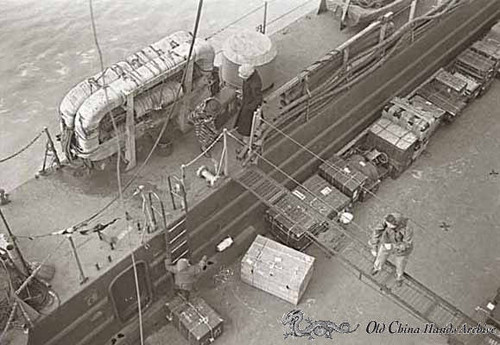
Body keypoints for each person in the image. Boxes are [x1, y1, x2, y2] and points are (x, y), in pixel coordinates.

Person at [369, 213, 413, 287]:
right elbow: (377, 231)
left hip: (401, 249)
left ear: (396, 224)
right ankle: (377, 267)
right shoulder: (387, 219)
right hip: (388, 240)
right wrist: (374, 245)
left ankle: (399, 277)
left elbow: (407, 244)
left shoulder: (407, 228)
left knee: (400, 263)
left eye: (390, 225)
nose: (388, 226)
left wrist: (393, 246)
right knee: (380, 255)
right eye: (387, 224)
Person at [234, 64, 263, 145]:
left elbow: (258, 98)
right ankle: (246, 137)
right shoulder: (251, 78)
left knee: (247, 124)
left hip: (249, 107)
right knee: (245, 123)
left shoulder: (255, 84)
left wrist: (249, 108)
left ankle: (247, 140)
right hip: (247, 102)